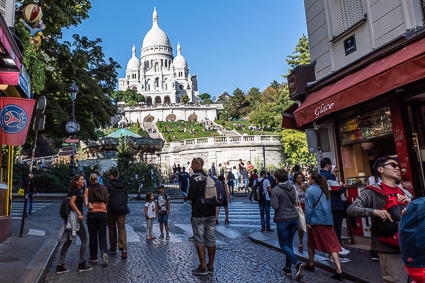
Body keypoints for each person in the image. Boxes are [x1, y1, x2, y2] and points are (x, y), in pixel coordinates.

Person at [347, 156, 411, 282]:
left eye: (398, 166)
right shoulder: (372, 192)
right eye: (393, 165)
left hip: (409, 245)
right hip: (389, 248)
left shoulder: (405, 192)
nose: (397, 168)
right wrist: (374, 211)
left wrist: (411, 203)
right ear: (381, 169)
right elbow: (351, 209)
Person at [304, 171, 343, 281]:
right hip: (327, 219)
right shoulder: (325, 190)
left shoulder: (310, 190)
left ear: (313, 180)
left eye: (309, 178)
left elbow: (309, 208)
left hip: (315, 220)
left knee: (314, 243)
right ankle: (312, 264)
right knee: (329, 244)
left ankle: (338, 271)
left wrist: (307, 221)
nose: (308, 180)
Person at [270, 169, 304, 281]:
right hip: (293, 217)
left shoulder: (275, 190)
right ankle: (288, 268)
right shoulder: (292, 187)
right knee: (289, 244)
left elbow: (275, 206)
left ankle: (297, 263)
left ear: (277, 178)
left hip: (282, 219)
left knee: (283, 244)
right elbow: (294, 200)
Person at [56, 174, 92, 274]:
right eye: (81, 179)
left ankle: (60, 265)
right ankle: (81, 264)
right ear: (76, 181)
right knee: (85, 239)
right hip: (75, 219)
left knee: (68, 241)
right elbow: (72, 202)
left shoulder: (73, 190)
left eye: (83, 179)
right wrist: (79, 213)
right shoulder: (76, 190)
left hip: (71, 218)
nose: (83, 180)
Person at [186, 157, 216, 275]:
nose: (191, 166)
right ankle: (211, 265)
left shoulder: (194, 178)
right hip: (211, 211)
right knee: (211, 238)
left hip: (199, 211)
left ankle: (203, 265)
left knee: (199, 238)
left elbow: (192, 194)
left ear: (198, 165)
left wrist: (187, 197)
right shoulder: (209, 177)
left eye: (193, 164)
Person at [319, 158, 350, 260]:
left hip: (324, 205)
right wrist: (344, 187)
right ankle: (336, 252)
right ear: (328, 165)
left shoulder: (319, 175)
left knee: (329, 230)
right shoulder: (329, 176)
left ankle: (330, 252)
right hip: (335, 205)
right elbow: (337, 190)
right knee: (336, 229)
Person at [84, 173, 109, 266]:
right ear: (97, 179)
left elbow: (86, 203)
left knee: (93, 236)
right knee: (102, 235)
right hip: (103, 213)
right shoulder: (104, 189)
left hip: (92, 214)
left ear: (90, 180)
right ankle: (104, 253)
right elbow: (107, 201)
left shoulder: (88, 190)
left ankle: (93, 256)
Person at [105, 168, 130, 259]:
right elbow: (126, 196)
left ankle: (113, 247)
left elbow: (106, 198)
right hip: (122, 209)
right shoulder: (123, 184)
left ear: (111, 175)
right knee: (122, 228)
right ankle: (123, 248)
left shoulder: (107, 185)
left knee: (112, 228)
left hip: (111, 209)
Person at [293, 172, 307, 252]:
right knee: (301, 227)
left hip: (306, 206)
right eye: (298, 178)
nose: (300, 179)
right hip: (298, 207)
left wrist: (304, 188)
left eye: (301, 178)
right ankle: (301, 242)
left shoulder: (306, 185)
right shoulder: (293, 187)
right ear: (295, 179)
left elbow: (310, 194)